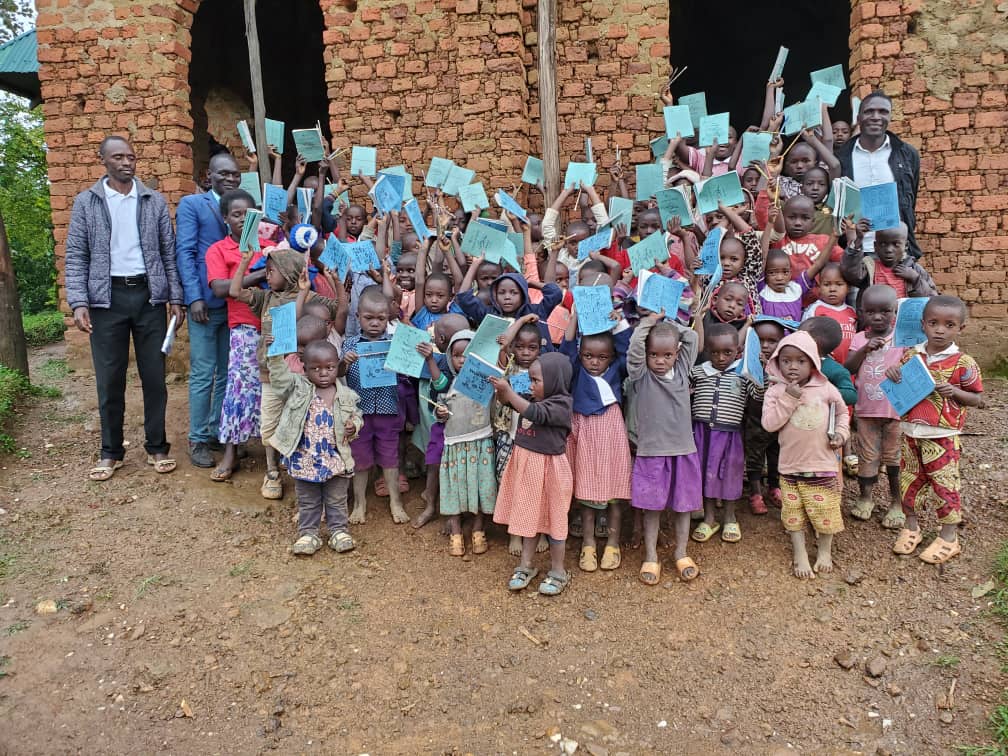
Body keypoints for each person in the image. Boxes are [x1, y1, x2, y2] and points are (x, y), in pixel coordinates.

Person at [65, 135, 184, 482]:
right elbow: (76, 256)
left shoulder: (152, 201)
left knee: (154, 377)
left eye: (130, 157)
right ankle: (111, 452)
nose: (126, 163)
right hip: (106, 301)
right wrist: (79, 302)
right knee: (110, 379)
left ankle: (157, 447)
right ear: (102, 160)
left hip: (149, 297)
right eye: (118, 157)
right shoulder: (86, 203)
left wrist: (175, 298)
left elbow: (168, 253)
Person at [886, 296, 984, 565]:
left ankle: (949, 538)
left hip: (942, 436)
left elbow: (977, 399)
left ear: (960, 328)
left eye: (949, 324)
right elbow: (900, 384)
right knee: (909, 481)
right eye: (933, 323)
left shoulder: (963, 363)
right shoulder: (911, 355)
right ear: (923, 324)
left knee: (944, 484)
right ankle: (912, 528)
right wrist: (894, 373)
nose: (940, 330)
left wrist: (954, 392)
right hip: (910, 432)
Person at [762, 331, 850, 579]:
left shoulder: (825, 388)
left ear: (813, 362)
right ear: (777, 362)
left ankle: (824, 551)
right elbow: (769, 424)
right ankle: (799, 553)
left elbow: (843, 412)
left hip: (823, 463)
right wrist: (789, 397)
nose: (793, 367)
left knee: (826, 512)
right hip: (790, 467)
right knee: (793, 514)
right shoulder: (775, 391)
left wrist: (841, 435)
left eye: (801, 361)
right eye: (786, 360)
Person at [266, 340, 363, 556]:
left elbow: (357, 416)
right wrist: (274, 354)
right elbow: (280, 380)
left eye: (329, 368)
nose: (323, 373)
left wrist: (353, 426)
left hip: (335, 459)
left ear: (337, 367)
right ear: (304, 368)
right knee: (308, 501)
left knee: (337, 499)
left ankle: (339, 531)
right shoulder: (299, 387)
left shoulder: (346, 394)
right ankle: (308, 533)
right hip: (305, 460)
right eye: (315, 368)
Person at [490, 353, 575, 597]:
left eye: (536, 380)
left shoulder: (561, 404)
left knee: (555, 521)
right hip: (528, 470)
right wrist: (501, 391)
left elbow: (535, 413)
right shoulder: (533, 396)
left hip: (551, 472)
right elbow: (508, 402)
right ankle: (525, 566)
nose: (531, 385)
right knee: (529, 518)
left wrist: (509, 393)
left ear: (554, 380)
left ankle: (558, 571)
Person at [175, 151, 240, 468]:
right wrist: (193, 297)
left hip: (233, 304)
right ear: (208, 176)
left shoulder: (242, 205)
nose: (230, 178)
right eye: (223, 173)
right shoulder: (193, 205)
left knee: (227, 373)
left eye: (235, 174)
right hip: (205, 303)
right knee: (203, 372)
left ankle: (216, 429)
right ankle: (198, 438)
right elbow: (185, 252)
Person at [628, 310, 703, 584]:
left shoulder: (683, 370)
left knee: (684, 507)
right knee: (652, 507)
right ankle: (651, 556)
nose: (660, 361)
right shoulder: (642, 375)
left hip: (684, 451)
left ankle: (681, 553)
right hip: (652, 453)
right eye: (654, 355)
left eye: (667, 355)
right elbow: (635, 348)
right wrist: (649, 323)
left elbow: (692, 337)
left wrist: (669, 324)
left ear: (676, 353)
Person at [204, 189, 271, 484]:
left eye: (249, 213)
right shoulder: (218, 250)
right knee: (238, 389)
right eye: (236, 214)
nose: (243, 220)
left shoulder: (270, 246)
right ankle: (231, 452)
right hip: (243, 326)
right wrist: (261, 274)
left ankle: (275, 454)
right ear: (225, 218)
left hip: (273, 326)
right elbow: (220, 288)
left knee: (274, 387)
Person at [560, 307, 633, 573]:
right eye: (588, 356)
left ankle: (612, 542)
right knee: (586, 489)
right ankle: (588, 543)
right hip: (583, 431)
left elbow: (629, 353)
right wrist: (575, 317)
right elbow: (566, 352)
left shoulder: (617, 369)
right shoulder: (577, 371)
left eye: (602, 357)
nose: (594, 362)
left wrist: (620, 323)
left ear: (611, 358)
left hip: (611, 430)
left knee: (614, 489)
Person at [423, 331, 498, 557]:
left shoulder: (486, 382)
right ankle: (456, 531)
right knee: (453, 489)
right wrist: (441, 413)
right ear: (449, 358)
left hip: (481, 441)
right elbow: (438, 407)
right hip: (454, 445)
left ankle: (477, 529)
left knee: (481, 487)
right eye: (456, 355)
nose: (462, 360)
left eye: (468, 355)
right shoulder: (447, 383)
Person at [339, 285, 409, 525]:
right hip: (359, 413)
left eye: (381, 318)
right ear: (358, 317)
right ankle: (360, 503)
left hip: (389, 410)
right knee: (360, 459)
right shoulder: (349, 344)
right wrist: (344, 364)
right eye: (369, 318)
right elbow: (338, 376)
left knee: (390, 459)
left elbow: (408, 374)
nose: (375, 323)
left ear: (388, 318)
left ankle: (395, 502)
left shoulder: (394, 343)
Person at [844, 285, 905, 527]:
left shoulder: (902, 338)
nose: (878, 317)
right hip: (867, 410)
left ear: (895, 312)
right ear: (861, 312)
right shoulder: (859, 338)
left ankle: (897, 503)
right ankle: (865, 498)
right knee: (867, 456)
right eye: (870, 312)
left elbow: (917, 364)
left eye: (885, 311)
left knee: (894, 459)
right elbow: (848, 367)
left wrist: (901, 371)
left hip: (896, 411)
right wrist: (863, 350)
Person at [836, 91, 922, 258]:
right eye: (869, 111)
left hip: (897, 253)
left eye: (883, 112)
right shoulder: (842, 157)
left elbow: (910, 201)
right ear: (858, 117)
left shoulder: (907, 154)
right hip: (856, 251)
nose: (876, 117)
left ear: (890, 117)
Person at [689, 322, 750, 544]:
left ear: (738, 351)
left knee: (730, 474)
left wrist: (759, 373)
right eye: (714, 352)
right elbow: (681, 385)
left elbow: (759, 395)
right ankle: (709, 518)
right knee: (705, 472)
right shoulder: (699, 371)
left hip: (730, 435)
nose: (721, 357)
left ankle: (730, 517)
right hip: (702, 432)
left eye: (728, 352)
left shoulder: (743, 373)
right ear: (707, 351)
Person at [840, 221, 937, 300]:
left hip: (903, 323)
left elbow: (932, 298)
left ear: (906, 246)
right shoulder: (869, 269)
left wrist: (915, 279)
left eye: (896, 244)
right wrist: (859, 240)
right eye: (883, 244)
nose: (889, 250)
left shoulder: (914, 269)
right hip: (874, 323)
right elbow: (850, 273)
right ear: (875, 246)